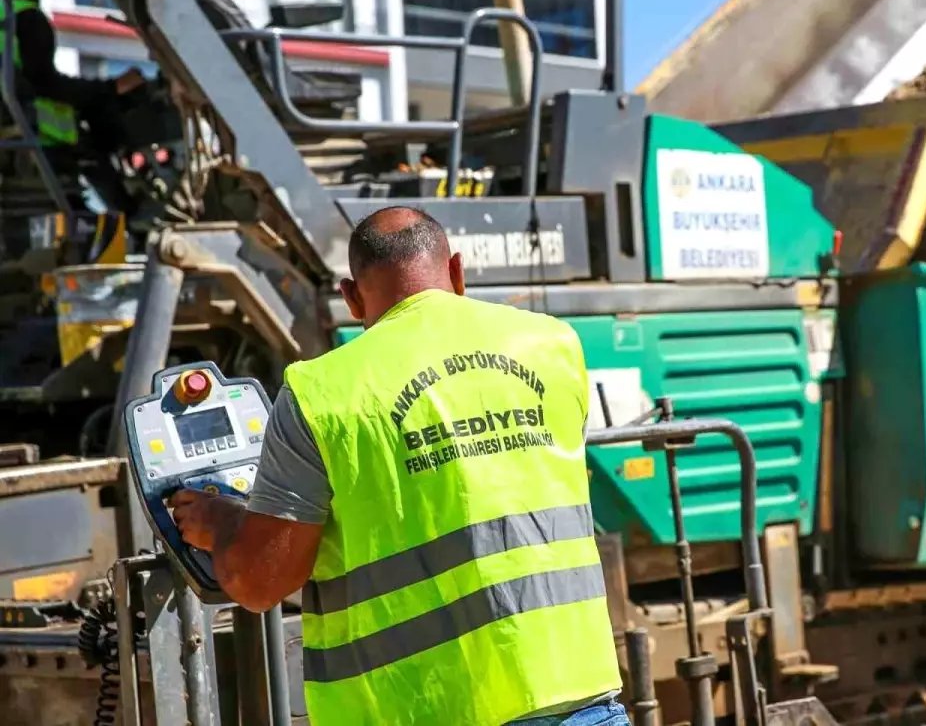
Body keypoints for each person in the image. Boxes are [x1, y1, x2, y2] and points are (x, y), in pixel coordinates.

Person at [169, 206, 629, 726]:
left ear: (351, 297)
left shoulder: (322, 393)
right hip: (579, 698)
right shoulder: (551, 346)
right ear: (456, 272)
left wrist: (222, 522)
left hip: (419, 708)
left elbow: (260, 582)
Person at [0, 0, 145, 208]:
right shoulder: (23, 16)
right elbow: (47, 84)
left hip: (13, 133)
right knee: (100, 129)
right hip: (35, 136)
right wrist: (112, 88)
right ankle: (134, 213)